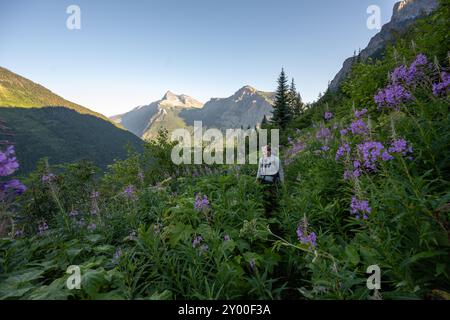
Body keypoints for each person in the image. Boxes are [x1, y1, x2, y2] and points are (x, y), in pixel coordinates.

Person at [256, 144, 284, 214]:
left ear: (270, 151)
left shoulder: (276, 159)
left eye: (267, 151)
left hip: (273, 181)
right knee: (265, 196)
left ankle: (274, 210)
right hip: (263, 180)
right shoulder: (261, 159)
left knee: (273, 196)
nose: (265, 153)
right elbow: (259, 170)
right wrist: (257, 179)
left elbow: (280, 171)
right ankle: (267, 210)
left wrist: (282, 181)